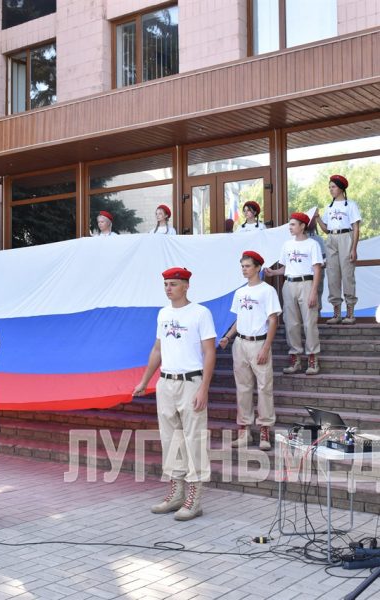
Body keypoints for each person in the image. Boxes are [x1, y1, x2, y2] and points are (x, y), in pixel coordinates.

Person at [133, 267, 216, 521]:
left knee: (194, 440)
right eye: (166, 284)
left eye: (173, 284)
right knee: (171, 441)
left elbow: (209, 352)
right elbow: (158, 349)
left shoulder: (200, 313)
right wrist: (145, 380)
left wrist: (204, 388)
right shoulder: (163, 314)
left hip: (191, 382)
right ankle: (176, 493)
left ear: (186, 286)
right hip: (166, 382)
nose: (168, 288)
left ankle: (194, 498)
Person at [218, 251, 281, 450]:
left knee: (264, 388)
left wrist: (266, 347)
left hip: (259, 343)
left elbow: (273, 320)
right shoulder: (240, 292)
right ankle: (244, 431)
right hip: (240, 343)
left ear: (257, 268)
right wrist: (228, 336)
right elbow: (239, 319)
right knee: (243, 388)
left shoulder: (267, 290)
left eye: (247, 266)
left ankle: (264, 431)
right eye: (242, 266)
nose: (244, 269)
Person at [265, 212, 323, 376]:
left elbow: (317, 269)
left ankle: (312, 358)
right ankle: (295, 358)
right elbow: (285, 268)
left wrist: (313, 292)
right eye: (289, 224)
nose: (290, 227)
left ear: (302, 226)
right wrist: (273, 272)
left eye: (293, 224)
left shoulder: (312, 245)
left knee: (309, 322)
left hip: (306, 283)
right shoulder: (287, 245)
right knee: (291, 323)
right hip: (289, 284)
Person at [317, 175, 362, 325]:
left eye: (333, 187)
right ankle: (336, 314)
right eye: (329, 187)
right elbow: (325, 229)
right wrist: (317, 218)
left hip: (345, 237)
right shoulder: (329, 207)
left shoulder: (351, 205)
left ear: (341, 188)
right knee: (333, 276)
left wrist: (353, 248)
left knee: (347, 275)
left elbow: (356, 227)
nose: (331, 190)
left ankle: (350, 313)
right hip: (331, 239)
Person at [306, 215, 326, 314]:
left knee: (317, 294)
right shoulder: (295, 240)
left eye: (313, 220)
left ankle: (318, 316)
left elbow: (323, 258)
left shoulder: (318, 239)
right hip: (304, 273)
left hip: (317, 272)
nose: (311, 222)